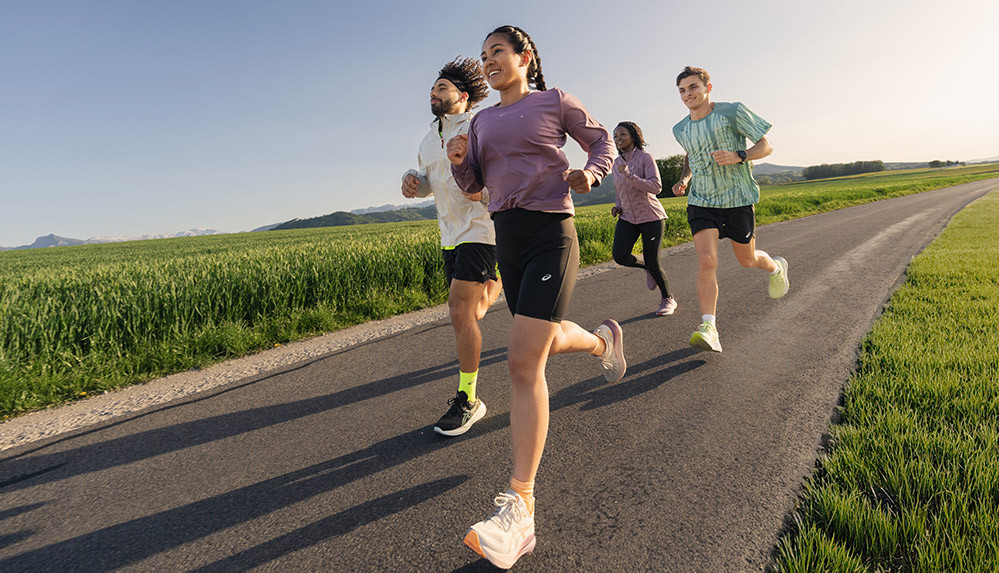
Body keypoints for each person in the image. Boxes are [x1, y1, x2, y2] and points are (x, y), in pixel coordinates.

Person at [447, 25, 625, 569]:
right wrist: (459, 160)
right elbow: (474, 186)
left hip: (552, 233)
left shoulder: (554, 101)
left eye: (497, 51)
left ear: (525, 57)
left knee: (523, 361)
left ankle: (521, 507)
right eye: (483, 56)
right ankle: (602, 344)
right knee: (540, 343)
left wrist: (592, 173)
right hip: (509, 238)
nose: (489, 61)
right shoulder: (480, 121)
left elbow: (604, 141)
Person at [401, 57, 502, 437]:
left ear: (462, 96)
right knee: (472, 312)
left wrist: (485, 194)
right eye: (432, 89)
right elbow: (430, 182)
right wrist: (413, 180)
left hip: (482, 228)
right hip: (449, 235)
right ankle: (498, 282)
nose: (433, 93)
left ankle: (468, 399)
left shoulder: (479, 127)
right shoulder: (428, 140)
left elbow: (498, 175)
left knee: (459, 309)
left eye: (441, 88)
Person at [670, 66, 789, 353]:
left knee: (747, 260)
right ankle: (709, 327)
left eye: (693, 87)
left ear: (708, 87)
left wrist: (740, 155)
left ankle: (775, 268)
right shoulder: (680, 129)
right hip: (702, 201)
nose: (688, 94)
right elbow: (691, 154)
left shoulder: (732, 111)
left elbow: (766, 145)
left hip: (737, 198)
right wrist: (685, 178)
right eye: (683, 91)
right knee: (706, 261)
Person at [610, 121, 677, 316]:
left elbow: (656, 187)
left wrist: (630, 175)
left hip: (651, 216)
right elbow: (618, 189)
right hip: (628, 218)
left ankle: (667, 299)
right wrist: (618, 205)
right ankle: (646, 267)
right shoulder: (616, 163)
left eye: (622, 134)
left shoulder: (645, 158)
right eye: (615, 136)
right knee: (620, 256)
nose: (618, 139)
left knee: (653, 260)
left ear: (633, 136)